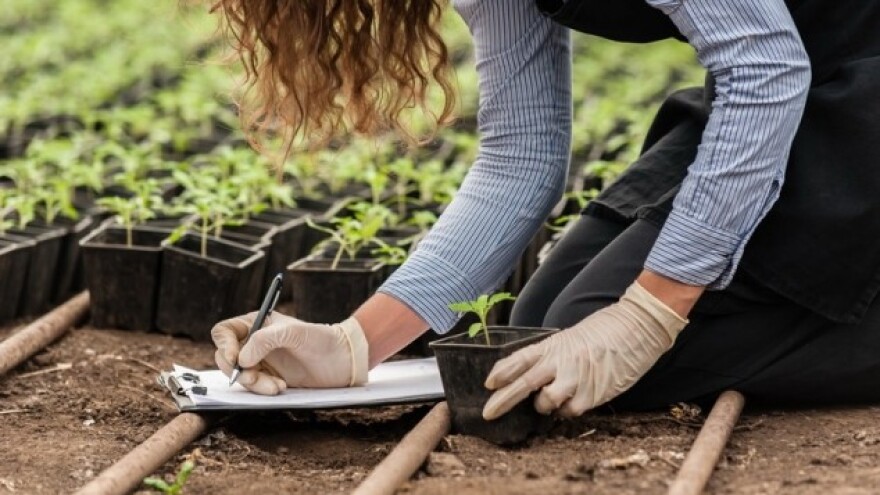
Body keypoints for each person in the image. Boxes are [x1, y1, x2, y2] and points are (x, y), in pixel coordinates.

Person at [209, 0, 880, 421]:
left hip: (812, 88)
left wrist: (651, 313)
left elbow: (764, 67)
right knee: (542, 331)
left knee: (613, 342)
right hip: (817, 77)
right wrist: (354, 345)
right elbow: (522, 154)